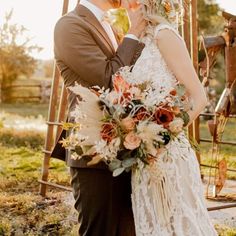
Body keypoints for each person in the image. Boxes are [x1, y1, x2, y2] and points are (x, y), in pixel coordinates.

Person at [51, 0, 146, 235]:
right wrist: (134, 32)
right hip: (92, 151)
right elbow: (109, 79)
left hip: (125, 148)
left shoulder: (110, 26)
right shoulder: (69, 25)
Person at [128, 0, 218, 235]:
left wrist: (166, 134)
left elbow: (199, 97)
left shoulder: (164, 35)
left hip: (168, 155)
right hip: (142, 158)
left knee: (178, 225)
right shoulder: (136, 41)